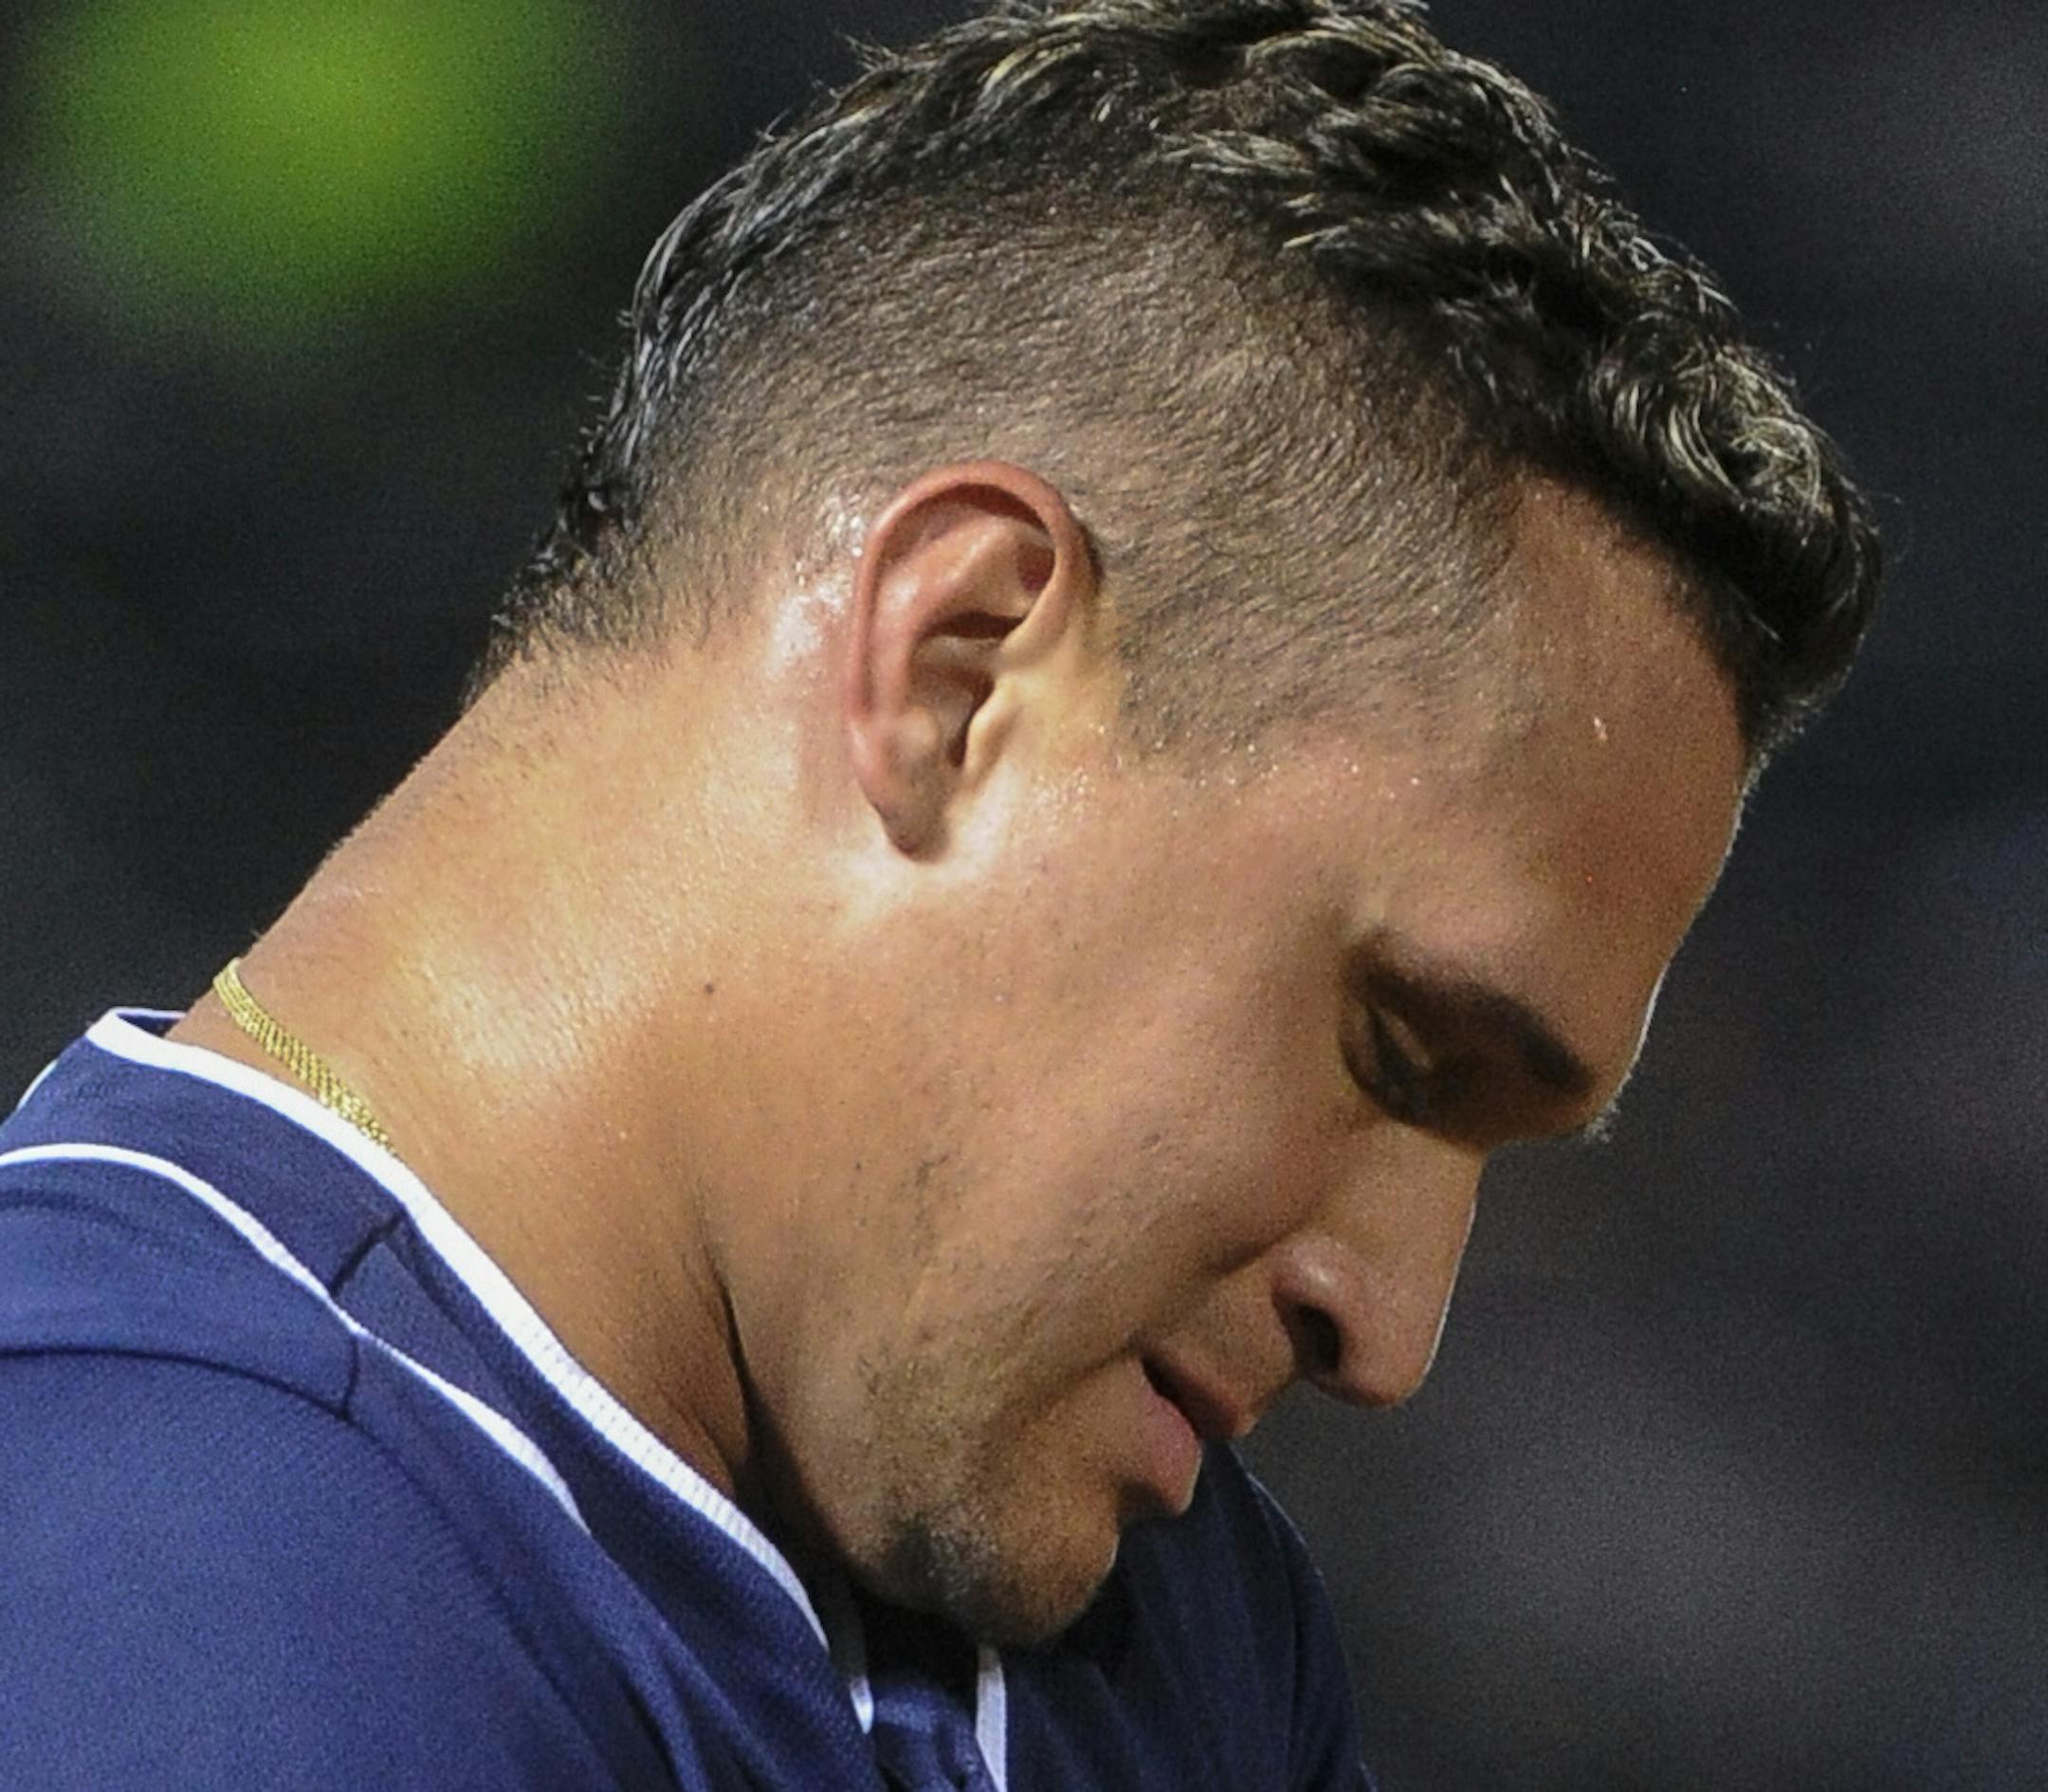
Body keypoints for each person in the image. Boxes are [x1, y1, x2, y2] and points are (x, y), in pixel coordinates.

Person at [0, 1, 1879, 1786]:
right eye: (1393, 1050)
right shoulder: (152, 1602)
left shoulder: (1166, 1630)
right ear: (959, 668)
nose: (1390, 1329)